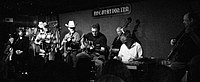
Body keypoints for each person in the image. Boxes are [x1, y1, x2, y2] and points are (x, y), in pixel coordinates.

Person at [169, 12, 200, 82]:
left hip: (191, 59)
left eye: (185, 20)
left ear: (191, 20)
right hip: (181, 59)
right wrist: (173, 41)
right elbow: (177, 39)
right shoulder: (185, 29)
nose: (183, 22)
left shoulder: (197, 30)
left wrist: (192, 33)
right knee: (169, 72)